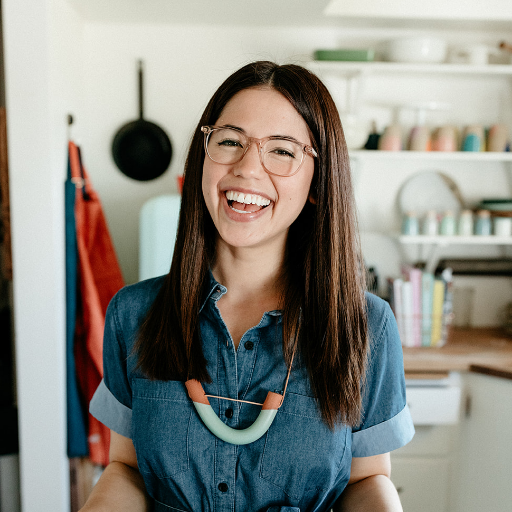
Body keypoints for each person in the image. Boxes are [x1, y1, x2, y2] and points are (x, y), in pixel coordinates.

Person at [82, 60, 414, 512]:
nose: (247, 168)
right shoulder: (133, 313)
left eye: (281, 151)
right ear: (204, 158)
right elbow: (126, 468)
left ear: (318, 182)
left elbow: (368, 478)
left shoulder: (366, 325)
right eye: (230, 141)